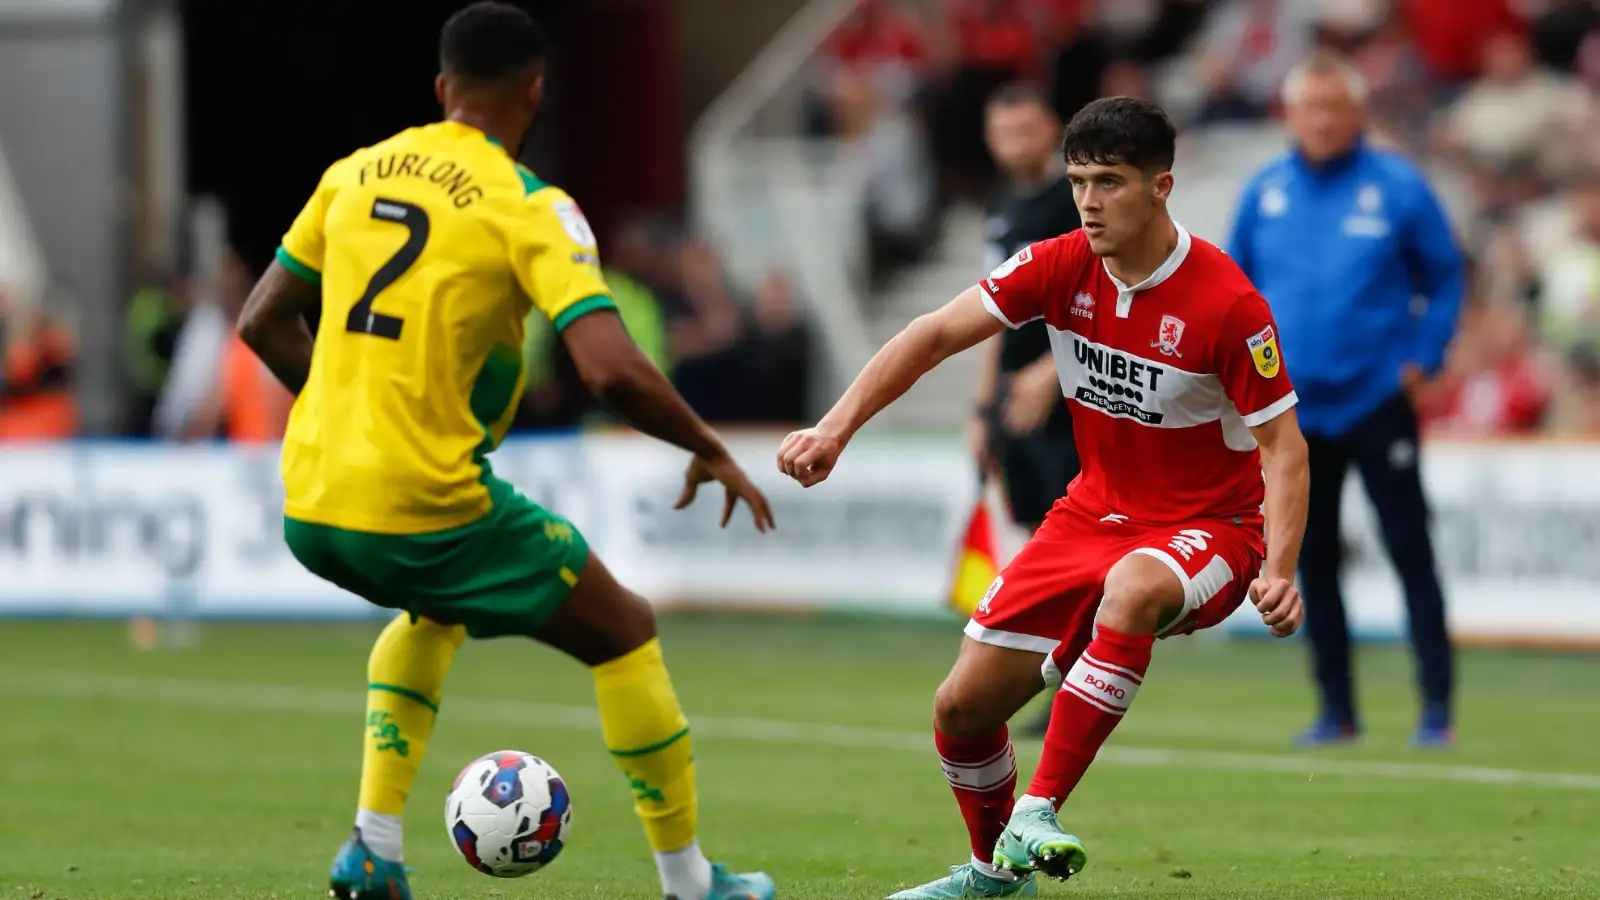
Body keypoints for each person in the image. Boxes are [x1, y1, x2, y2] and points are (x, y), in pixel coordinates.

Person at [235, 5, 777, 900]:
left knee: (435, 610)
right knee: (624, 628)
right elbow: (608, 370)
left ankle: (373, 849)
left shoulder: (353, 173)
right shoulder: (528, 205)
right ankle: (690, 886)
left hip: (310, 500)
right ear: (536, 91)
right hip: (420, 503)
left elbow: (263, 319)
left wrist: (354, 406)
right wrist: (707, 443)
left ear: (442, 89)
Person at [779, 96, 1309, 899]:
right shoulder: (1058, 263)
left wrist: (1283, 566)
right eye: (1077, 182)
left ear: (1161, 186)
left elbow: (1285, 446)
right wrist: (834, 429)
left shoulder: (1228, 306)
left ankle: (1039, 809)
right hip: (1090, 514)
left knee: (1132, 586)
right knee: (961, 709)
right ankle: (995, 878)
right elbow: (931, 334)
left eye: (1110, 182)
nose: (1089, 202)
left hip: (1211, 528)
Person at [1226, 51, 1464, 749]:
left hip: (1376, 398)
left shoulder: (1397, 187)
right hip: (1294, 412)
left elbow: (1446, 276)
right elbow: (1232, 292)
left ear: (1358, 114)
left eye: (1335, 107)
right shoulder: (1265, 190)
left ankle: (1436, 711)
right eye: (1311, 108)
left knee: (1409, 550)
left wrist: (1427, 355)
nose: (1323, 120)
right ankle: (1337, 710)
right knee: (1312, 559)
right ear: (1290, 116)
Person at [969, 83, 1083, 739]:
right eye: (1002, 132)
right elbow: (989, 311)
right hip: (1014, 405)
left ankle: (1078, 677)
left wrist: (1051, 371)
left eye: (1025, 130)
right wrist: (981, 408)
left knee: (1070, 542)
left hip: (1071, 399)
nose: (1014, 142)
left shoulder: (1077, 199)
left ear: (1052, 129)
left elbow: (1104, 288)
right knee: (1036, 537)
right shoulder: (1003, 207)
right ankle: (1057, 672)